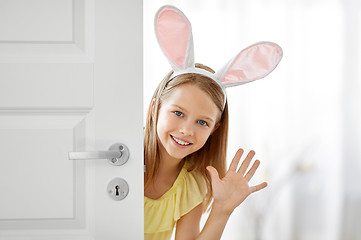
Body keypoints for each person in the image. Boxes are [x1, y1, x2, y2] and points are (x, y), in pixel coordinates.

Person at [144, 5, 283, 240]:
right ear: (155, 108)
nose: (187, 130)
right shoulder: (122, 160)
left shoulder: (192, 186)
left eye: (202, 122)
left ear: (214, 129)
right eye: (178, 113)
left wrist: (223, 209)